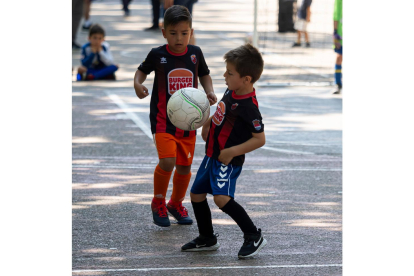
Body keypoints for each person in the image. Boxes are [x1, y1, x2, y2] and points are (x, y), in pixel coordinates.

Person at [181, 44, 267, 259]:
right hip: (212, 154)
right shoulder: (232, 89)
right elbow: (222, 109)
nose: (224, 75)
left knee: (221, 199)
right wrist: (208, 124)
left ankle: (253, 235)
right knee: (197, 195)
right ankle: (207, 238)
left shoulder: (249, 107)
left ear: (246, 79)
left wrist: (231, 152)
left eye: (230, 73)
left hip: (227, 160)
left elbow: (260, 139)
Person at [134, 5, 217, 227]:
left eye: (184, 33)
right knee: (168, 161)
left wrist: (209, 91)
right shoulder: (157, 54)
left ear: (191, 31)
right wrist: (137, 83)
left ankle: (175, 203)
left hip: (189, 123)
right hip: (163, 121)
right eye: (173, 33)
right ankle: (158, 201)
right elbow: (141, 70)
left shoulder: (195, 53)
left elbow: (205, 74)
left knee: (184, 167)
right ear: (164, 32)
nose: (179, 38)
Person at [332, 0, 342, 94]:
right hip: (341, 34)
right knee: (339, 57)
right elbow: (336, 15)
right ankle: (338, 83)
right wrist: (335, 33)